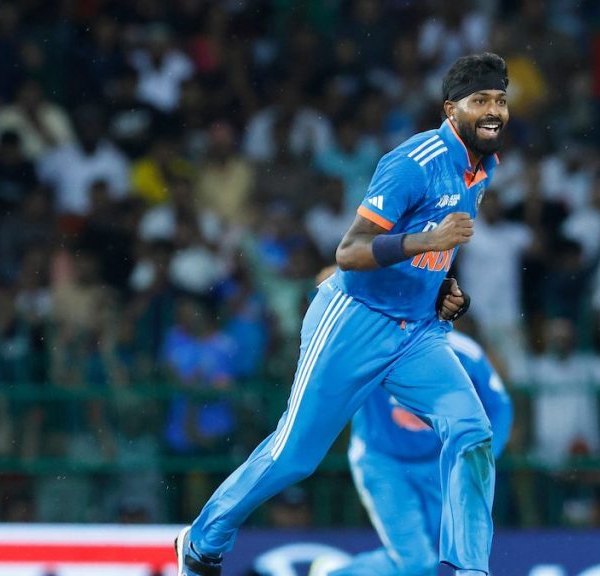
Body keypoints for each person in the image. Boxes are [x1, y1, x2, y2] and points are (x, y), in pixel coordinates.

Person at [175, 53, 510, 576]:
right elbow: (349, 253)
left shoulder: (483, 167)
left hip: (417, 332)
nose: (493, 111)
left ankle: (471, 570)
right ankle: (201, 539)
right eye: (481, 100)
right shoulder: (414, 161)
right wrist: (426, 241)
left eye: (500, 100)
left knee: (472, 431)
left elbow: (437, 252)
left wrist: (446, 289)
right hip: (355, 318)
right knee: (295, 456)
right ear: (451, 109)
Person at [311, 327, 512, 576]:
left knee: (417, 558)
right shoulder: (374, 344)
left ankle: (336, 572)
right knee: (417, 562)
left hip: (437, 466)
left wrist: (481, 458)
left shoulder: (464, 352)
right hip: (382, 462)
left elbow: (499, 406)